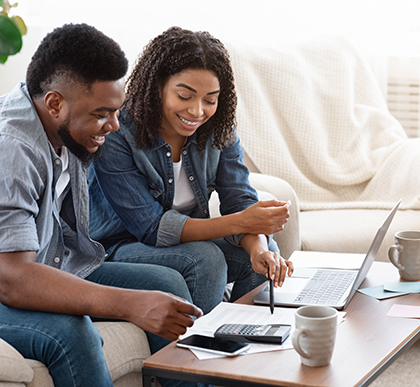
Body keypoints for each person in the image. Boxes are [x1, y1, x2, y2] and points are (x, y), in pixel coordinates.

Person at [0, 23, 203, 387]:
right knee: (72, 332)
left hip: (48, 262)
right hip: (8, 279)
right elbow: (13, 279)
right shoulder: (12, 150)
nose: (113, 125)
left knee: (166, 281)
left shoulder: (65, 127)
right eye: (101, 113)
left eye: (116, 111)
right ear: (55, 103)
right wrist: (129, 304)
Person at [89, 26, 294, 315]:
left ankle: (245, 341)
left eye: (210, 100)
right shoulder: (119, 131)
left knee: (263, 252)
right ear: (158, 85)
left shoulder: (218, 130)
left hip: (179, 245)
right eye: (185, 96)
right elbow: (150, 227)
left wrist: (259, 247)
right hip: (118, 248)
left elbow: (239, 199)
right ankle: (202, 353)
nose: (197, 111)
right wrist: (241, 222)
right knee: (205, 259)